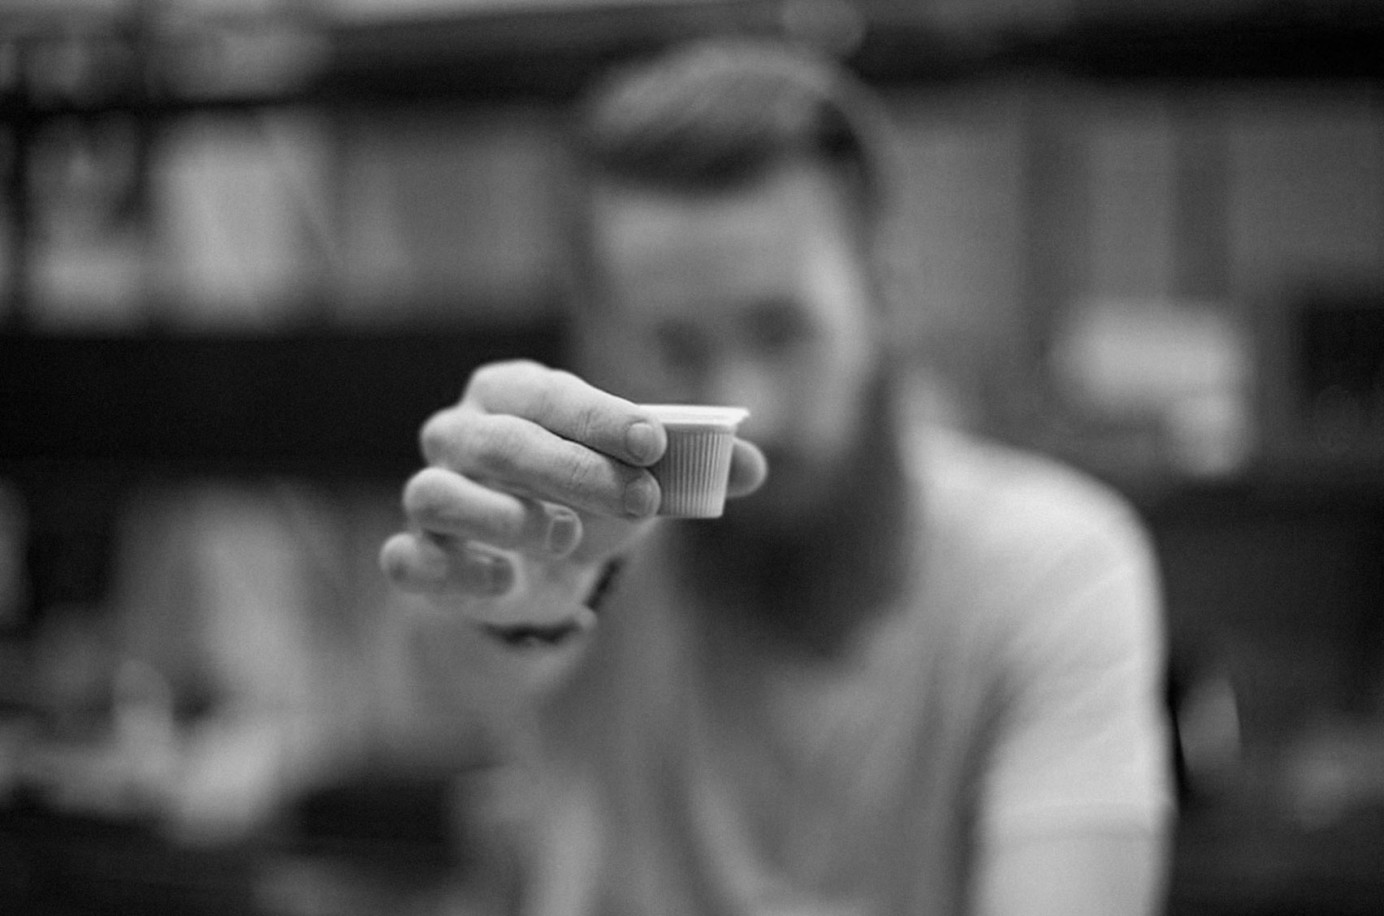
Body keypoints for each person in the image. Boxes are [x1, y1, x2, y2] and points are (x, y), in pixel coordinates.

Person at [380, 38, 1173, 916]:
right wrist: (505, 598)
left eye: (781, 330)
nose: (742, 407)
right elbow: (441, 676)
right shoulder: (591, 555)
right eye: (674, 346)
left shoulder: (1049, 569)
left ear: (886, 294)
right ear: (605, 340)